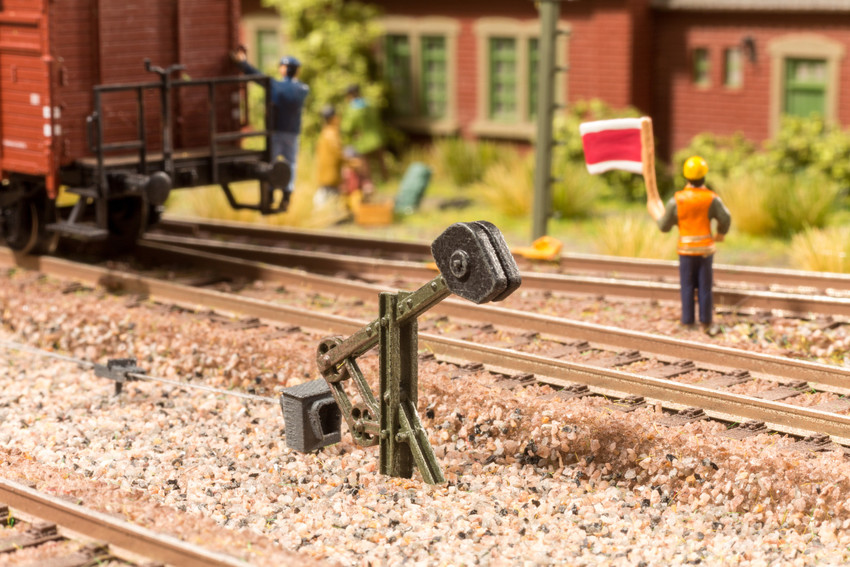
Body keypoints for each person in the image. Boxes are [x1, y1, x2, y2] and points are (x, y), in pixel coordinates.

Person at [657, 155, 731, 334]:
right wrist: (720, 233)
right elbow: (725, 218)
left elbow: (664, 226)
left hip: (686, 250)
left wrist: (663, 218)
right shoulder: (711, 198)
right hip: (705, 250)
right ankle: (706, 322)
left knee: (687, 286)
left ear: (686, 176)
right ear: (704, 175)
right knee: (705, 286)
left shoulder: (677, 200)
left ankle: (687, 321)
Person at [234, 47, 309, 204]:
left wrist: (243, 63)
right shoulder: (302, 89)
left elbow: (257, 76)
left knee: (271, 162)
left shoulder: (276, 86)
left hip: (276, 132)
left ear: (285, 69)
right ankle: (287, 193)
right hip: (293, 133)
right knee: (291, 164)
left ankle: (270, 191)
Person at [340, 84, 386, 194]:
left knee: (365, 165)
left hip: (363, 140)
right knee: (381, 161)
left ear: (350, 95)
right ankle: (386, 180)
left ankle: (369, 185)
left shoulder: (353, 109)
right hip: (376, 136)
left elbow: (347, 128)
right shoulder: (370, 104)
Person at [314, 105, 343, 207]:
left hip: (324, 173)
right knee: (328, 197)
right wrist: (352, 162)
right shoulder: (331, 134)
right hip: (331, 174)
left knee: (327, 196)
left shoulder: (324, 133)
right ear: (333, 118)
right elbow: (339, 154)